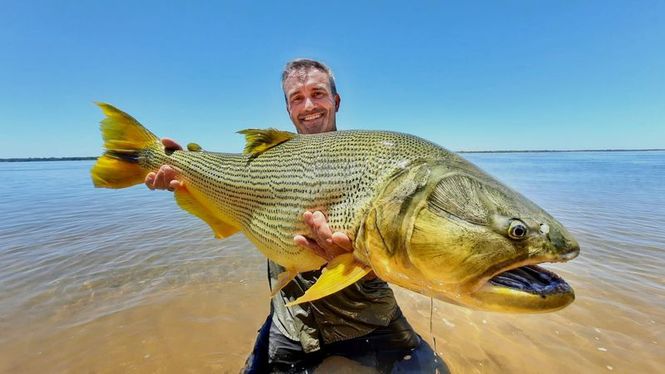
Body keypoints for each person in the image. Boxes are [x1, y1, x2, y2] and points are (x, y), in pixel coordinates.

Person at [145, 59, 447, 373]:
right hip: (294, 323)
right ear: (288, 109)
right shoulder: (266, 159)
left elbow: (416, 255)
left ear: (336, 100)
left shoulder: (372, 162)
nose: (309, 105)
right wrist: (183, 169)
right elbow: (224, 179)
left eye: (318, 93)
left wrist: (367, 260)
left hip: (369, 318)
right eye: (296, 98)